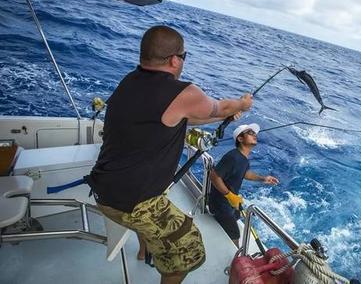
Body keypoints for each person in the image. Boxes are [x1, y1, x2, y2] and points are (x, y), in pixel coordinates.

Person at [86, 25, 253, 284]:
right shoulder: (183, 92)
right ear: (175, 59)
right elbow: (219, 107)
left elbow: (179, 118)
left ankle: (144, 252)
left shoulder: (129, 81)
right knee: (190, 250)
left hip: (103, 189)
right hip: (133, 202)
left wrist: (223, 116)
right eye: (184, 57)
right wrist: (242, 104)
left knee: (154, 222)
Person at [209, 123, 279, 246]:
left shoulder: (243, 159)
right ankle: (232, 259)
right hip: (220, 203)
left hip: (230, 201)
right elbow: (214, 176)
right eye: (250, 133)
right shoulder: (233, 157)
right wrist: (230, 196)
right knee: (235, 234)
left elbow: (245, 173)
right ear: (240, 139)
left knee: (236, 217)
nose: (254, 135)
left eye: (254, 133)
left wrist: (263, 178)